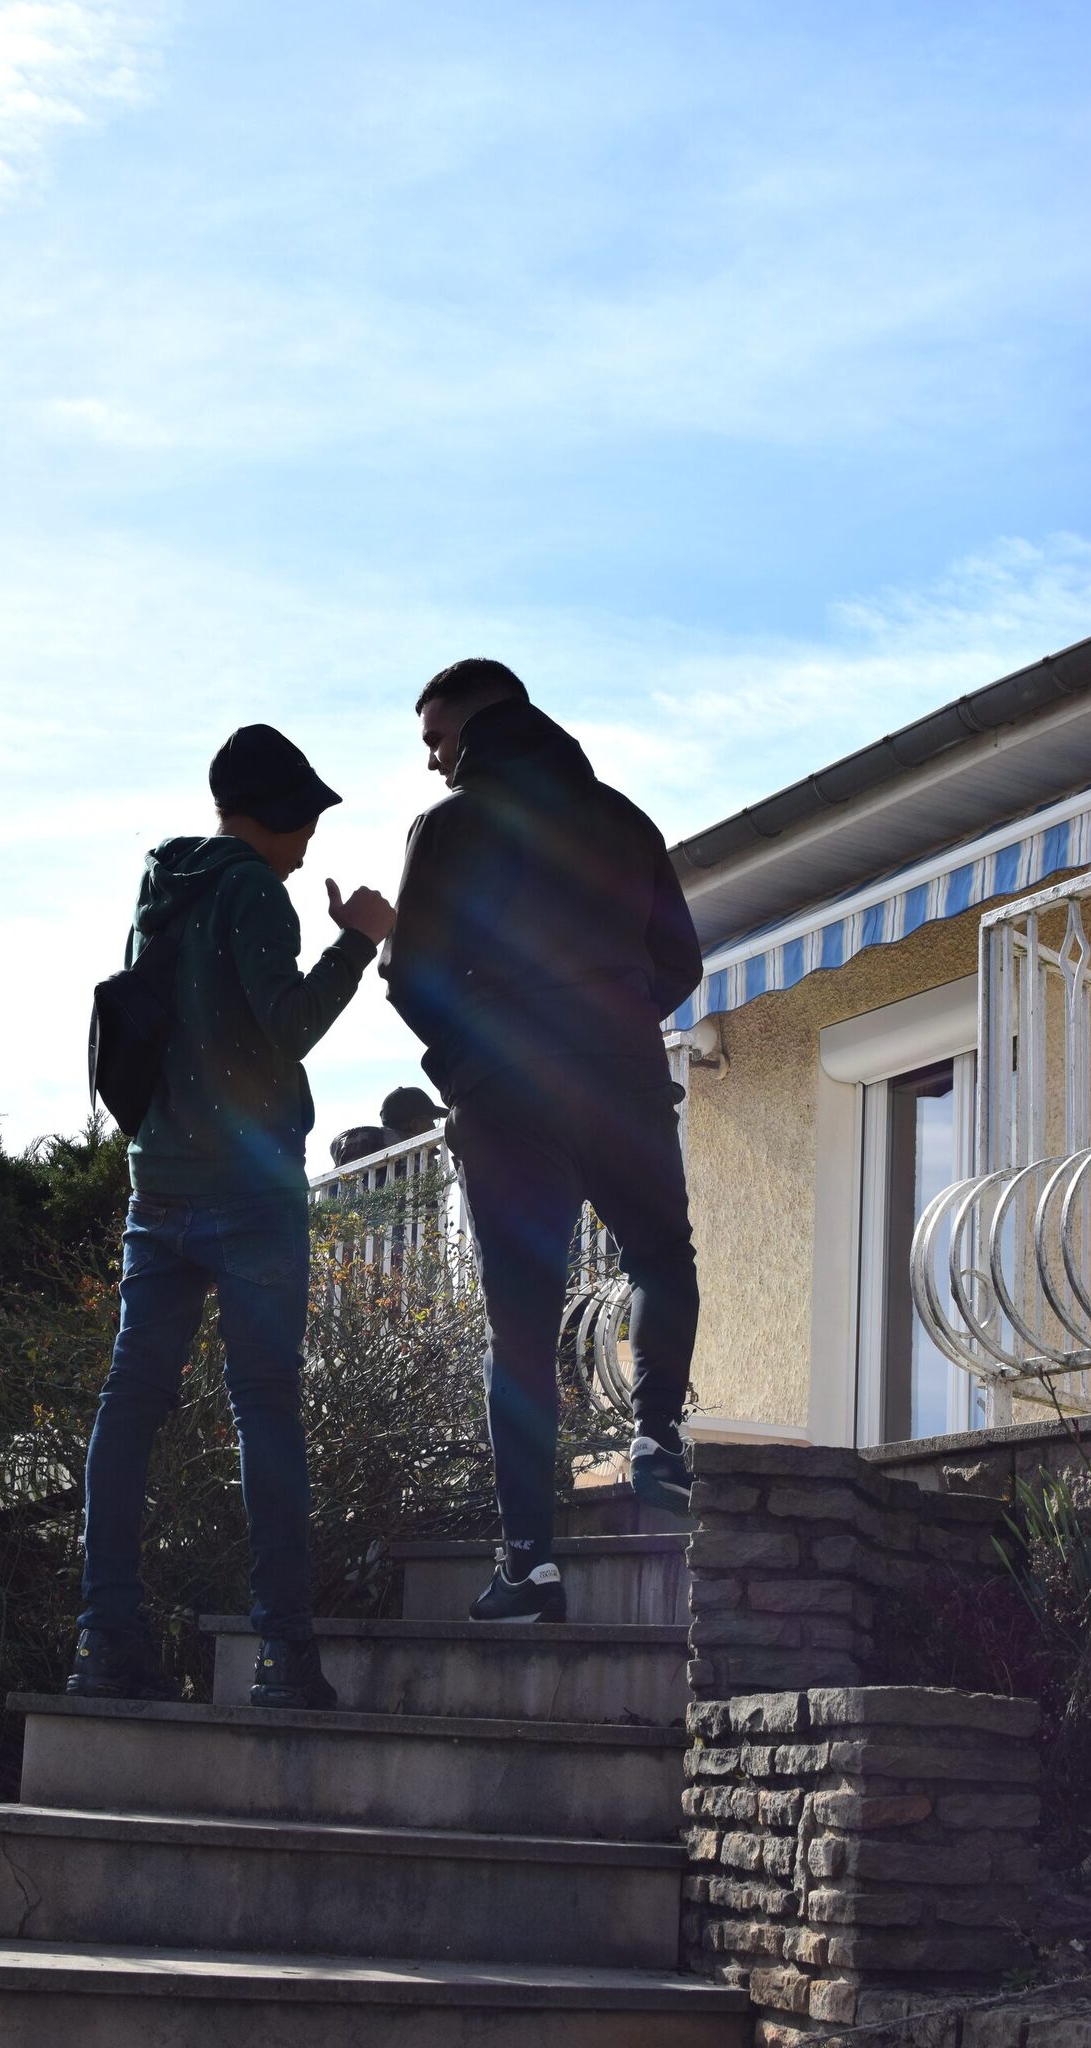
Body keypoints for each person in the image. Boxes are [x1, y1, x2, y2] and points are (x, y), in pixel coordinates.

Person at [69, 725, 395, 1704]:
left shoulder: (162, 885)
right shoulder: (254, 889)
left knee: (130, 1404)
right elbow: (288, 1024)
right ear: (279, 812)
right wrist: (358, 939)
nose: (308, 848)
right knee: (264, 1409)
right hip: (247, 1195)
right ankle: (282, 1654)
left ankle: (103, 1642)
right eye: (306, 823)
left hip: (156, 1185)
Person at [381, 659, 703, 1623]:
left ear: (478, 725)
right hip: (621, 1080)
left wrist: (470, 1064)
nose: (434, 763)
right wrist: (610, 1022)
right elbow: (679, 960)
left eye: (438, 739)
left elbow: (411, 972)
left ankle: (529, 1565)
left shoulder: (451, 824)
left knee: (520, 1322)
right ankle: (657, 1439)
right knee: (659, 1256)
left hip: (510, 1097)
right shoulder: (625, 819)